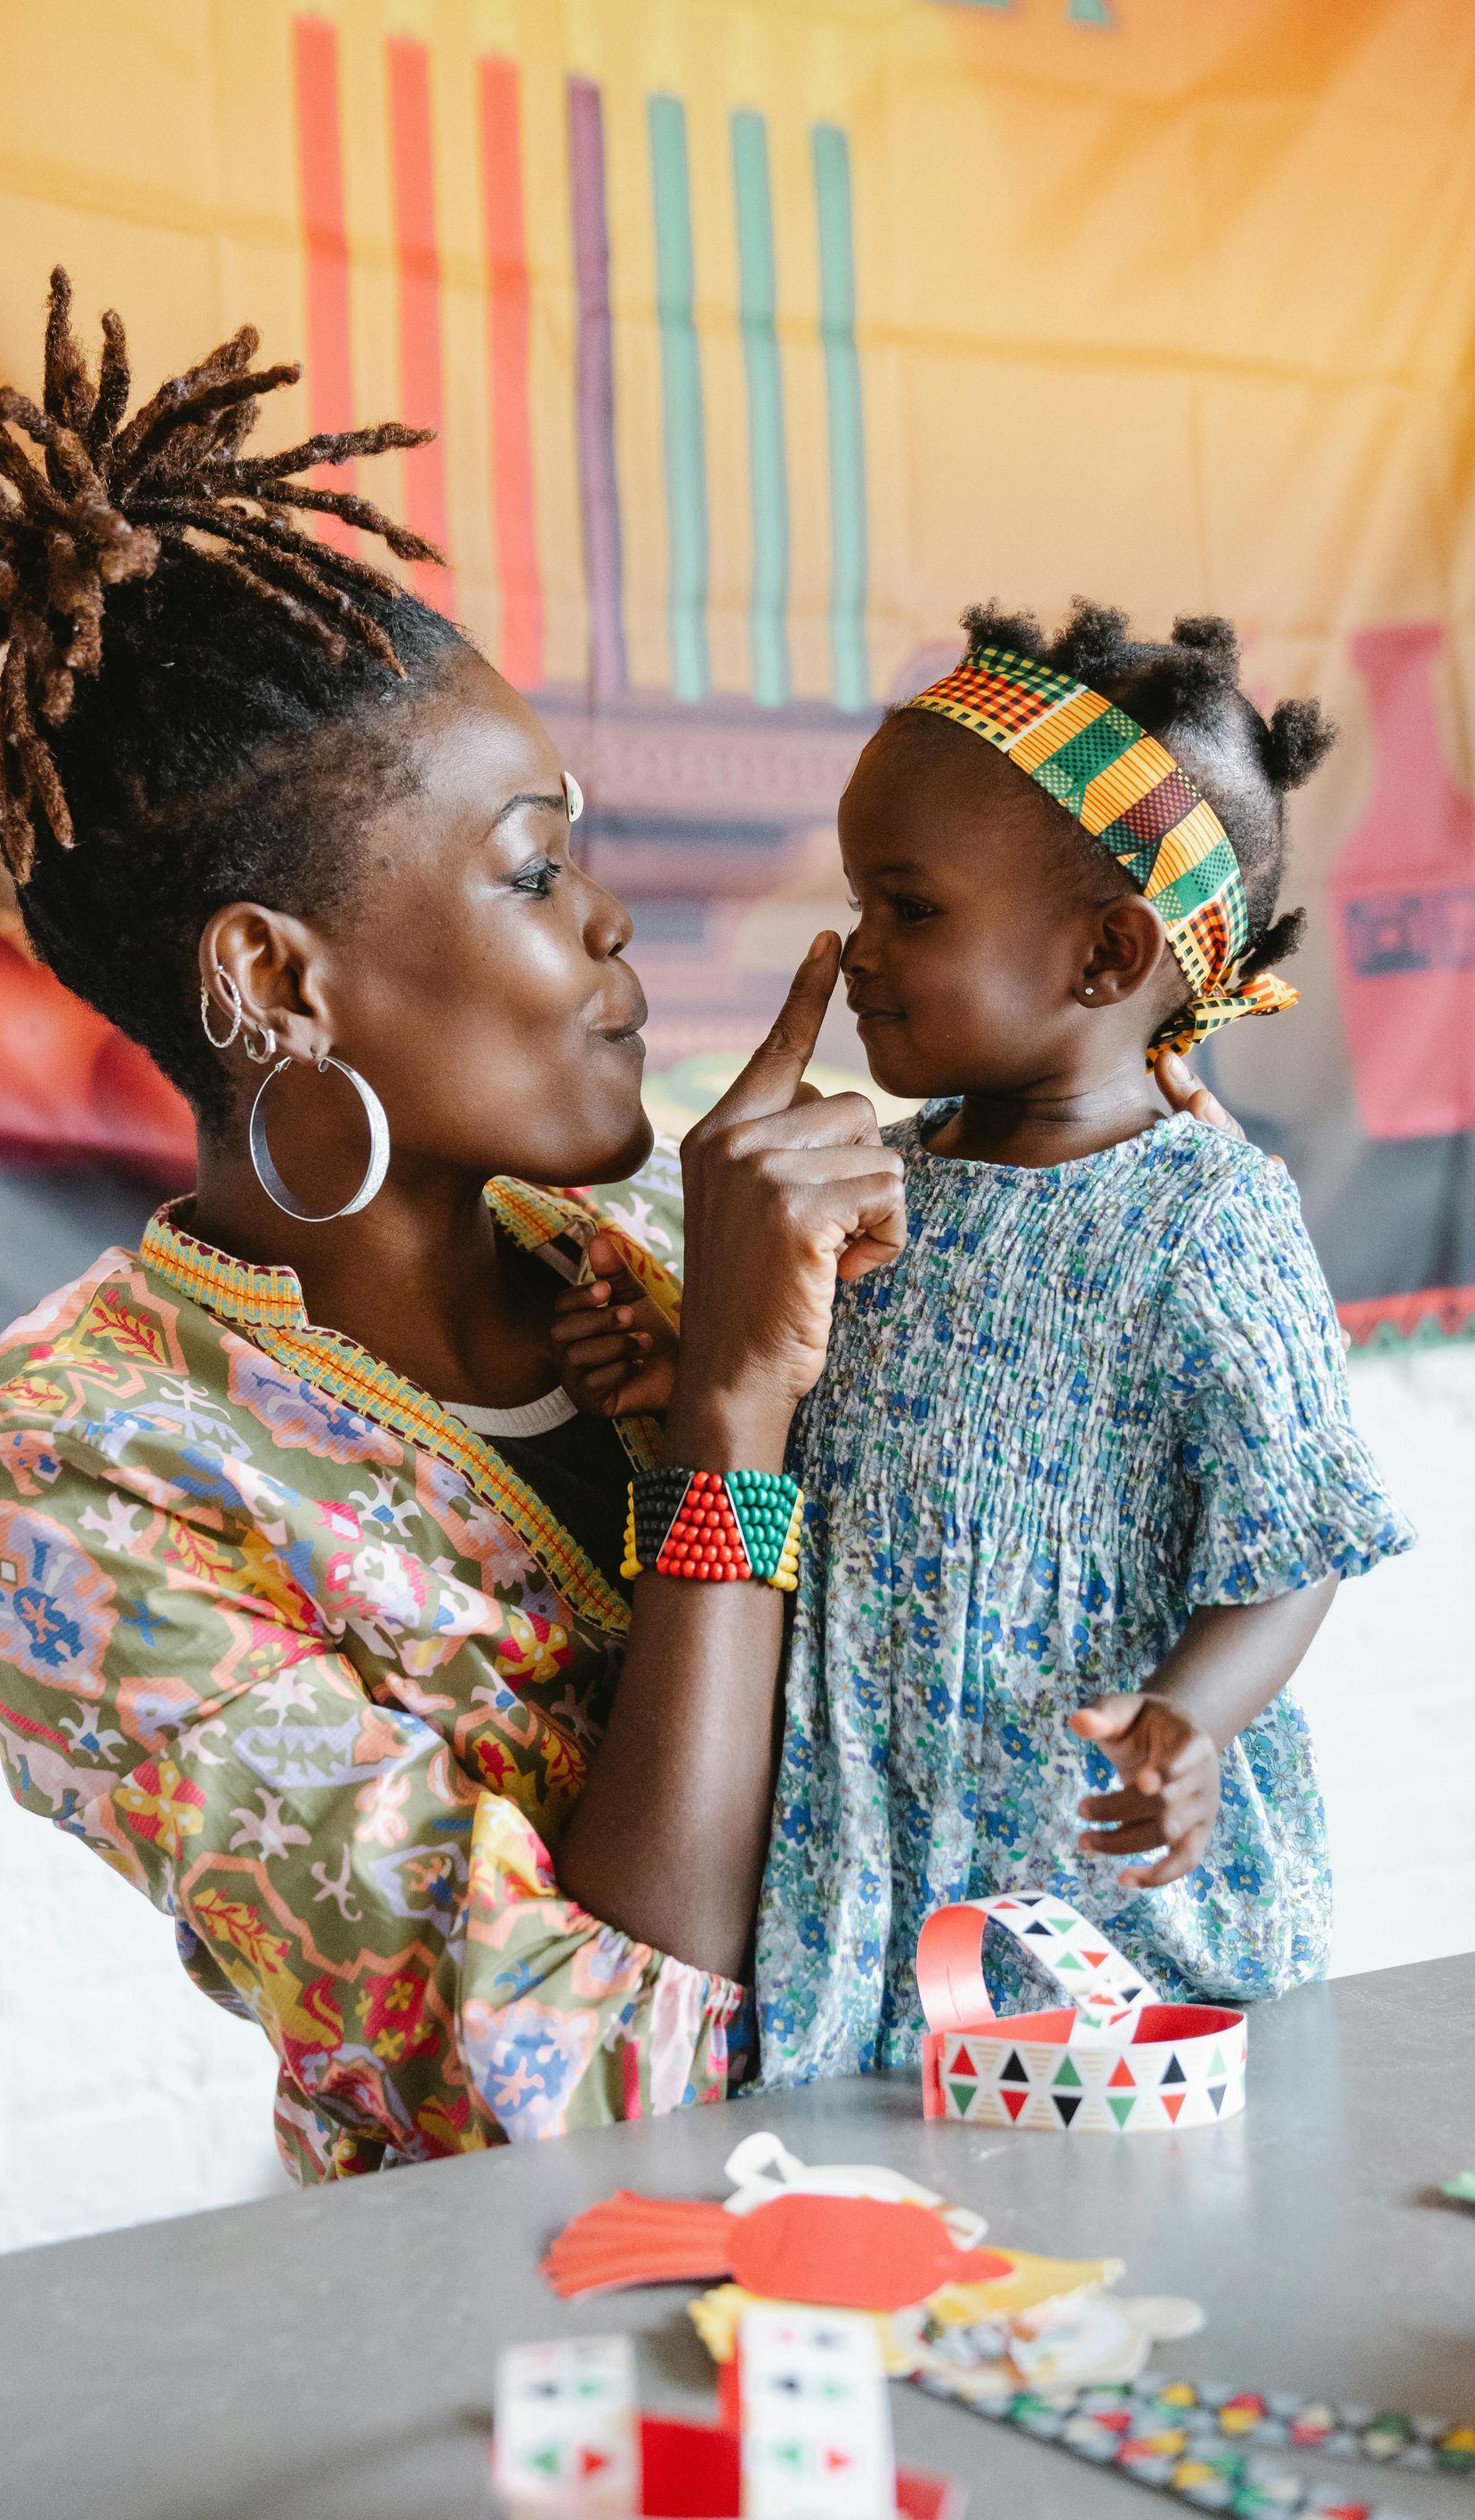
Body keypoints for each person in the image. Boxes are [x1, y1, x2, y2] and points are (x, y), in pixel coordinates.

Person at [0, 271, 923, 2180]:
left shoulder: (668, 1246)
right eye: (533, 866)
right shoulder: (89, 1469)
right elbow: (575, 2088)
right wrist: (732, 1427)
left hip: (992, 2217)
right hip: (558, 2345)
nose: (609, 923)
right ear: (277, 979)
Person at [560, 602, 1414, 2091]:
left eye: (912, 908)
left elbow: (1298, 1539)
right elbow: (836, 1430)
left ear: (1106, 954)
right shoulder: (877, 1178)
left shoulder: (1207, 1218)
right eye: (858, 900)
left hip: (1095, 1884)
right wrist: (682, 1365)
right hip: (876, 1857)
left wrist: (1187, 1726)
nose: (855, 949)